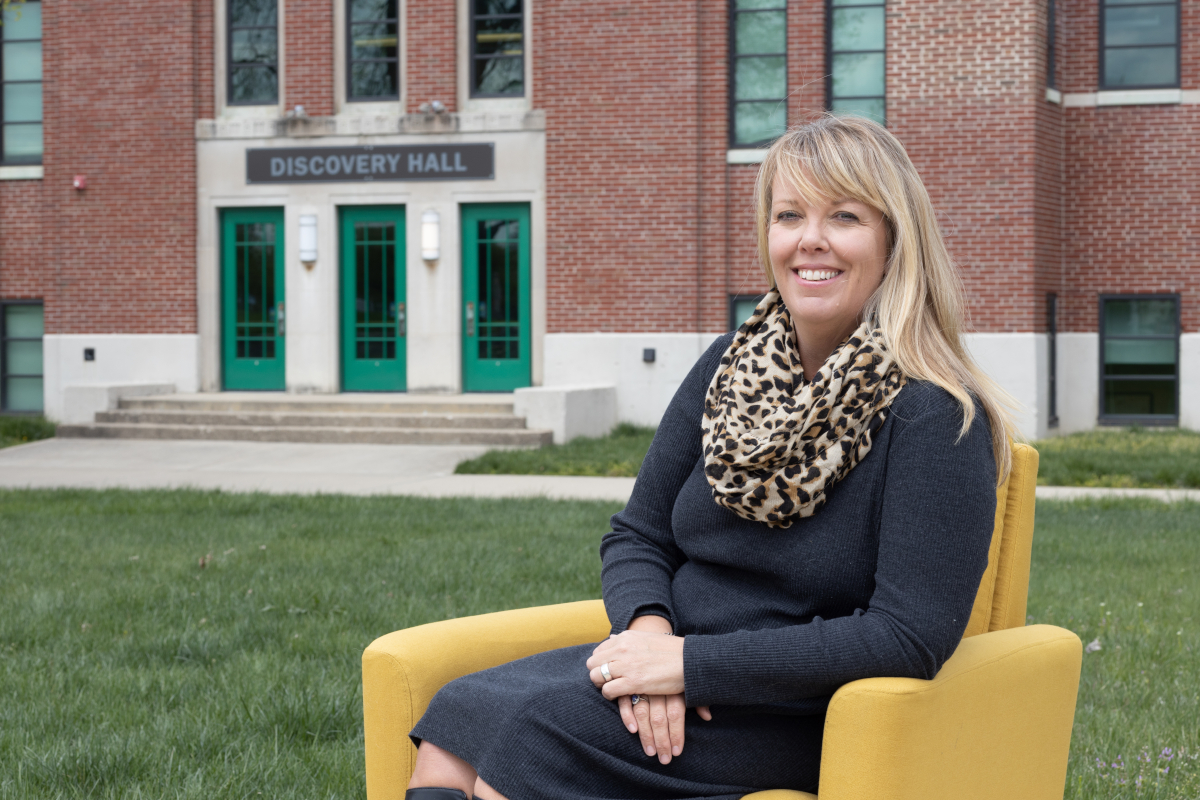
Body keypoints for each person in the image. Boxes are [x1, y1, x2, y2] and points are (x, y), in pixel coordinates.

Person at [404, 115, 1017, 800]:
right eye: (789, 215)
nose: (809, 239)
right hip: (672, 658)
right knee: (455, 723)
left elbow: (909, 636)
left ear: (893, 242)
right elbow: (638, 533)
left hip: (794, 706)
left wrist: (691, 667)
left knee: (534, 741)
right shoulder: (727, 368)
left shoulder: (934, 413)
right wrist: (647, 638)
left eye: (843, 216)